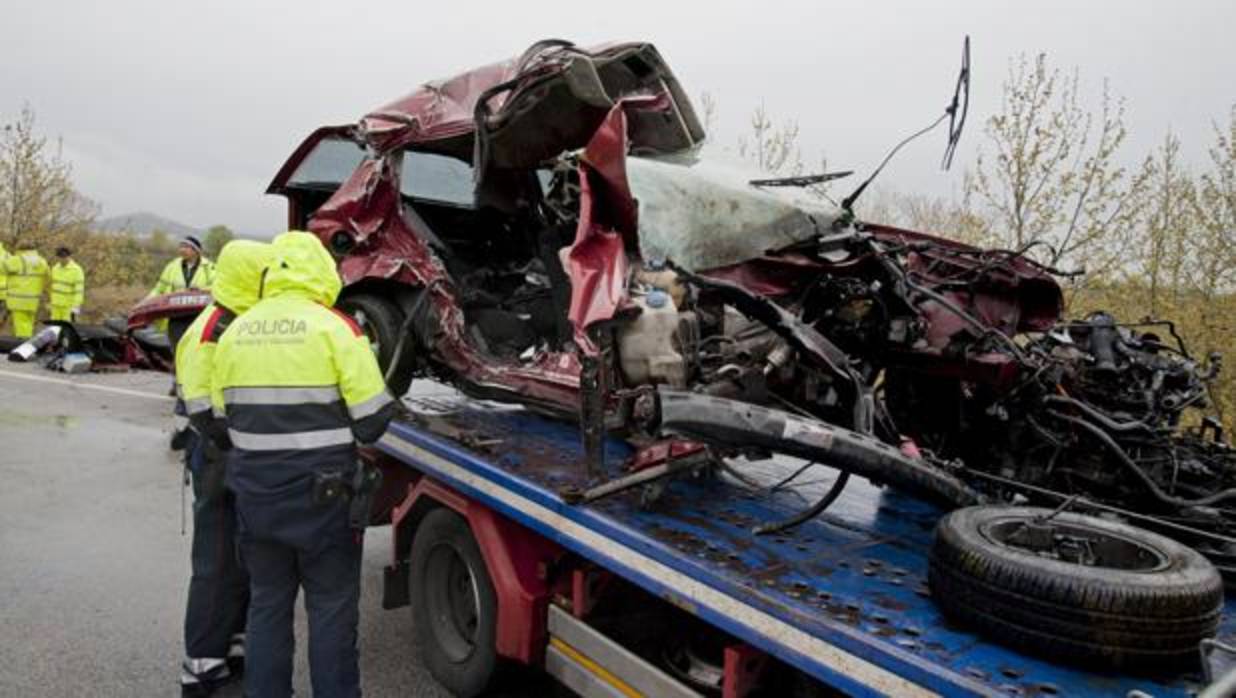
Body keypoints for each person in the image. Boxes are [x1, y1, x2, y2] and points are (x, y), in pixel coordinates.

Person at [211, 231, 395, 698]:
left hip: (256, 498)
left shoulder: (234, 333)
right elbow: (372, 422)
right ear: (322, 272)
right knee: (331, 610)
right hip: (324, 501)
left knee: (268, 607)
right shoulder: (337, 329)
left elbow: (220, 420)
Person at [175, 240, 272, 697]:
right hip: (220, 458)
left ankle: (232, 643)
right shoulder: (212, 328)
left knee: (241, 556)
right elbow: (201, 408)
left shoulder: (238, 321)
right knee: (214, 561)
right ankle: (201, 662)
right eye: (264, 275)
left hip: (236, 456)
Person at [150, 235, 216, 343]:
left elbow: (217, 288)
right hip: (176, 316)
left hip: (199, 316)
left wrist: (200, 290)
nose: (182, 250)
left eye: (186, 247)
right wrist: (147, 303)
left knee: (195, 345)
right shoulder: (171, 267)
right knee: (177, 345)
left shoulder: (210, 268)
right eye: (181, 246)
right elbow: (159, 289)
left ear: (196, 250)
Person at [3, 241, 49, 338]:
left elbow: (3, 268)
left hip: (18, 300)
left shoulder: (17, 259)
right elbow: (48, 278)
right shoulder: (42, 261)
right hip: (33, 300)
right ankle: (28, 343)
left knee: (20, 326)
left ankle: (23, 346)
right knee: (28, 324)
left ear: (20, 250)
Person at [49, 247, 86, 322]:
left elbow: (79, 290)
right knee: (55, 328)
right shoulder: (55, 268)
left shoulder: (76, 270)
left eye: (64, 257)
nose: (62, 259)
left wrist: (76, 306)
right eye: (60, 257)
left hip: (68, 307)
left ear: (69, 256)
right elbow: (52, 286)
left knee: (66, 329)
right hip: (56, 306)